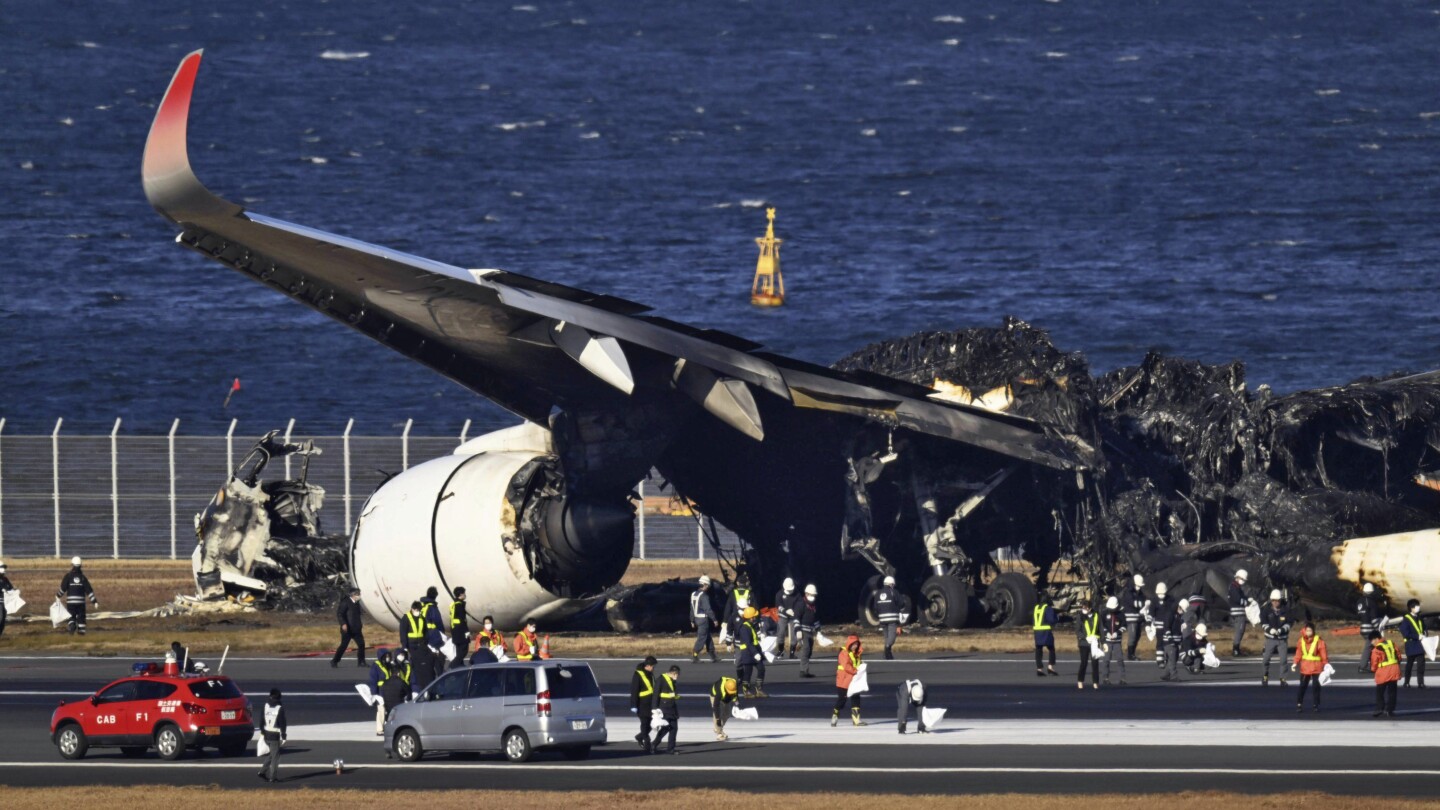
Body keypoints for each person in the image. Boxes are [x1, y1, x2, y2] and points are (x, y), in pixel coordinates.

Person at [400, 601, 438, 695]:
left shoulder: (422, 618)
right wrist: (405, 646)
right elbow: (403, 633)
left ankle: (422, 684)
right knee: (413, 665)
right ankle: (414, 684)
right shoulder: (406, 618)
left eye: (419, 610)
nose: (418, 612)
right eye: (416, 610)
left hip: (421, 645)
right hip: (411, 646)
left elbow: (425, 631)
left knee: (422, 665)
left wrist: (426, 643)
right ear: (412, 609)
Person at [1292, 622, 1327, 712]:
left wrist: (1326, 663)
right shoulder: (1301, 641)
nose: (1308, 632)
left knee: (1316, 686)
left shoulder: (1319, 641)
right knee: (1302, 686)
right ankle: (1299, 704)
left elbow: (1323, 653)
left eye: (1310, 630)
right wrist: (1295, 662)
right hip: (1305, 667)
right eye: (1307, 630)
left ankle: (1316, 704)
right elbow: (1298, 653)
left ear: (1313, 631)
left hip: (1316, 667)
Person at [57, 557, 97, 635]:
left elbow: (63, 588)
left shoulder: (68, 576)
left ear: (72, 564)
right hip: (81, 602)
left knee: (71, 616)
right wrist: (94, 601)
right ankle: (81, 634)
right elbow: (89, 590)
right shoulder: (83, 577)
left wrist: (58, 596)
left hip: (71, 602)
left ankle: (72, 625)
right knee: (81, 617)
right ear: (80, 565)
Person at [1259, 589, 1292, 687]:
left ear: (1280, 600)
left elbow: (1290, 622)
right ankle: (1265, 676)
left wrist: (1282, 630)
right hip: (1270, 639)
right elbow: (1263, 622)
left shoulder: (1286, 610)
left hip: (1282, 639)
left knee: (1283, 660)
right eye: (1273, 600)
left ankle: (1283, 679)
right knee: (1266, 659)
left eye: (1277, 600)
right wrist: (1269, 630)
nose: (1275, 602)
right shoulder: (1266, 610)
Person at [832, 634, 865, 726]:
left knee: (856, 699)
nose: (855, 646)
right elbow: (846, 666)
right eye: (854, 644)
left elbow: (857, 665)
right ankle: (835, 715)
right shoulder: (844, 653)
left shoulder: (857, 654)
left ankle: (856, 720)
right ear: (849, 644)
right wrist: (856, 671)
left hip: (854, 681)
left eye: (857, 644)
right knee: (842, 700)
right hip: (844, 681)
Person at [735, 606, 768, 697]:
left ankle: (759, 689)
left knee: (761, 669)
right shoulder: (744, 628)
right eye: (753, 617)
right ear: (750, 617)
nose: (755, 618)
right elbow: (748, 643)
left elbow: (755, 641)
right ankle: (746, 691)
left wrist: (760, 652)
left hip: (755, 652)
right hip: (748, 653)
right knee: (748, 672)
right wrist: (755, 653)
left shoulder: (751, 626)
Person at [257, 688, 287, 783]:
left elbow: (261, 720)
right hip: (274, 735)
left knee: (272, 754)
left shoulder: (265, 706)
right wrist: (284, 735)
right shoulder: (279, 708)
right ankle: (273, 777)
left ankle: (262, 772)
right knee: (275, 756)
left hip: (266, 734)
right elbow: (283, 723)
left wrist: (262, 731)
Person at [332, 587, 366, 668]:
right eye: (358, 594)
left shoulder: (357, 603)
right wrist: (343, 624)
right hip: (347, 629)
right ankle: (335, 661)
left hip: (356, 628)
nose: (359, 596)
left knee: (361, 644)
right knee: (344, 646)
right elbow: (340, 614)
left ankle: (361, 662)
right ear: (353, 595)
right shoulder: (345, 602)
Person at [629, 655, 658, 753]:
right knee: (644, 723)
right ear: (648, 665)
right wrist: (633, 705)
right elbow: (634, 690)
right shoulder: (638, 675)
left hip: (651, 704)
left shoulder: (651, 674)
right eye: (653, 666)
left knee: (651, 724)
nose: (653, 668)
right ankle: (647, 742)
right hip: (641, 705)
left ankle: (640, 736)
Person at [651, 665, 681, 755]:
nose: (677, 676)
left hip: (672, 707)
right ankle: (654, 744)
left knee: (673, 728)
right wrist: (654, 708)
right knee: (667, 727)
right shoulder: (661, 679)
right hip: (664, 708)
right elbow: (655, 694)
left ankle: (670, 749)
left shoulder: (672, 680)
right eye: (677, 674)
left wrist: (675, 682)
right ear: (673, 673)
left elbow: (672, 693)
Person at [1372, 629, 1400, 717]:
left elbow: (1374, 662)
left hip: (1383, 672)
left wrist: (1373, 669)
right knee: (1392, 692)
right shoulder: (1391, 643)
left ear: (1376, 639)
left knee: (1380, 692)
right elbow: (1398, 655)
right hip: (1395, 670)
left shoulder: (1377, 648)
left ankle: (1380, 708)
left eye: (1372, 641)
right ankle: (1390, 710)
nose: (1372, 643)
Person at [872, 575, 901, 660]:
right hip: (892, 619)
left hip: (882, 619)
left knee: (887, 637)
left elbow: (875, 607)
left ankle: (888, 655)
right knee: (891, 638)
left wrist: (879, 615)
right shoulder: (894, 592)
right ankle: (887, 649)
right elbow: (901, 603)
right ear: (891, 584)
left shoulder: (878, 593)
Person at [721, 573, 753, 648]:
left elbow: (728, 608)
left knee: (737, 636)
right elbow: (755, 607)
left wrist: (725, 620)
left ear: (738, 583)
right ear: (746, 583)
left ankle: (738, 652)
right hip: (748, 618)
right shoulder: (750, 593)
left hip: (735, 619)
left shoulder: (732, 594)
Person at [380, 649, 411, 726]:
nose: (402, 656)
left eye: (403, 655)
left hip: (400, 688)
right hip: (397, 688)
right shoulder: (392, 666)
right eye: (400, 654)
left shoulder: (407, 665)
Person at [691, 576, 718, 663]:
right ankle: (695, 655)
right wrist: (714, 619)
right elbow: (707, 609)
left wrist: (691, 620)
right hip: (703, 619)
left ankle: (712, 654)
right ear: (705, 585)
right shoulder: (704, 596)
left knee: (707, 636)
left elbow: (691, 608)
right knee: (702, 637)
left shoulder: (693, 594)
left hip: (696, 619)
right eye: (707, 586)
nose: (708, 588)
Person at [1400, 599, 1427, 688]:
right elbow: (1405, 633)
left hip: (1420, 645)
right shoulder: (1406, 619)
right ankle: (1406, 682)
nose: (1418, 608)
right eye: (1416, 606)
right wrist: (1417, 636)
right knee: (1409, 665)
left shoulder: (1419, 618)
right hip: (1411, 645)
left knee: (1421, 665)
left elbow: (1423, 628)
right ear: (1411, 608)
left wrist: (1425, 633)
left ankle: (1421, 683)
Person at [1356, 582, 1383, 673]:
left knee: (1371, 647)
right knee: (1369, 647)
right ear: (1372, 592)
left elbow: (1361, 615)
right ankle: (1362, 666)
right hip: (1370, 629)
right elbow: (1374, 618)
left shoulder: (1360, 601)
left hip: (1363, 627)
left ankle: (1372, 665)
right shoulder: (1371, 602)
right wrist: (1378, 627)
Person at [1101, 595, 1126, 685]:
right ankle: (1105, 678)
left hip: (1117, 641)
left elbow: (1124, 625)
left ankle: (1122, 678)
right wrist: (1106, 632)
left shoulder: (1120, 614)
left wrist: (1118, 632)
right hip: (1107, 641)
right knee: (1106, 660)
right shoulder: (1104, 613)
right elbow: (1101, 625)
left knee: (1120, 659)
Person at [1120, 574, 1146, 660]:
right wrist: (1144, 605)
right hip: (1130, 618)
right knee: (1132, 636)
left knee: (1137, 635)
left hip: (1138, 617)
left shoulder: (1140, 592)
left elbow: (1143, 600)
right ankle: (1130, 655)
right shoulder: (1128, 592)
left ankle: (1132, 653)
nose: (1139, 587)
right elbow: (1134, 603)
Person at [795, 584, 819, 678]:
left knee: (809, 651)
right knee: (806, 649)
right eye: (811, 595)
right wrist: (797, 630)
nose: (812, 597)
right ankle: (803, 671)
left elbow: (815, 619)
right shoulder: (801, 604)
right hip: (803, 630)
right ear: (806, 593)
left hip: (810, 631)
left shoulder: (813, 606)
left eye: (814, 595)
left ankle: (806, 669)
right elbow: (796, 618)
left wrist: (818, 630)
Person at [1161, 598, 1186, 681]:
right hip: (1169, 641)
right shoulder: (1170, 614)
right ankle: (1174, 676)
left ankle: (1165, 674)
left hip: (1176, 642)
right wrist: (1170, 640)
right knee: (1172, 659)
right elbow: (1166, 627)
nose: (1183, 612)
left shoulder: (1179, 616)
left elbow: (1178, 630)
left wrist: (1180, 641)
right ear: (1179, 607)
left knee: (1174, 659)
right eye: (1183, 610)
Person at [1227, 569, 1252, 657]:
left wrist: (1247, 599)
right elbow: (1238, 599)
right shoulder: (1234, 587)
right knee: (1239, 631)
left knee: (1240, 631)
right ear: (1237, 577)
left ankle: (1237, 649)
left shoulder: (1236, 587)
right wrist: (1247, 602)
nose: (1243, 581)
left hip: (1239, 612)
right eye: (1243, 579)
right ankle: (1236, 650)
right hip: (1238, 613)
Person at [1076, 602, 1100, 689]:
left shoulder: (1096, 616)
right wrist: (1085, 637)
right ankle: (1080, 681)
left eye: (1086, 608)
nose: (1084, 610)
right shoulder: (1080, 616)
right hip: (1084, 643)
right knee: (1084, 662)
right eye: (1083, 608)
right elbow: (1077, 631)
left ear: (1090, 609)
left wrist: (1103, 641)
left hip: (1094, 642)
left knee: (1095, 663)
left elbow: (1100, 629)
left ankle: (1095, 682)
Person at [369, 649, 393, 736]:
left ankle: (389, 727)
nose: (388, 658)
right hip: (380, 691)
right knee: (381, 710)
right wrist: (374, 694)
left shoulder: (390, 665)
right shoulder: (376, 666)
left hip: (389, 689)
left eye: (388, 656)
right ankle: (380, 729)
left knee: (390, 709)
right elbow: (373, 680)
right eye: (386, 656)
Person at [1150, 582, 1173, 669]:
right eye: (1159, 593)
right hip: (1159, 626)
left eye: (1163, 593)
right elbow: (1151, 613)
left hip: (1168, 625)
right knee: (1160, 643)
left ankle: (1167, 658)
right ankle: (1160, 660)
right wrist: (1149, 624)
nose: (1161, 595)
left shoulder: (1170, 600)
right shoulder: (1154, 601)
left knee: (1168, 642)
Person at [1033, 596, 1058, 676]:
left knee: (1038, 649)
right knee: (1051, 649)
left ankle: (1039, 668)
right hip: (1046, 632)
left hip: (1037, 632)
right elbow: (1051, 620)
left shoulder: (1036, 608)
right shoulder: (1047, 608)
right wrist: (1057, 618)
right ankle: (1050, 666)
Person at [710, 675, 741, 741]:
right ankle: (719, 733)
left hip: (726, 698)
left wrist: (737, 703)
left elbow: (735, 694)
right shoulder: (719, 692)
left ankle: (718, 728)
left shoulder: (734, 684)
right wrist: (718, 719)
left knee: (728, 713)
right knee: (718, 714)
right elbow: (716, 706)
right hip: (715, 696)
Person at [774, 577, 797, 658]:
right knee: (780, 632)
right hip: (783, 616)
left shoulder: (797, 594)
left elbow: (800, 604)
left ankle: (792, 652)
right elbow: (778, 605)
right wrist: (785, 611)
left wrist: (796, 611)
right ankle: (780, 651)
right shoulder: (779, 594)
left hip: (793, 616)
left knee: (794, 633)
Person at [448, 587, 470, 669]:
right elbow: (462, 620)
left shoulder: (453, 604)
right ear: (461, 594)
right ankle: (453, 665)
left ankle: (459, 666)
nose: (465, 595)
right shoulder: (459, 605)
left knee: (459, 651)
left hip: (455, 631)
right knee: (464, 650)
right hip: (461, 631)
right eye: (464, 593)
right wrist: (466, 631)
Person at [0, 560, 14, 638]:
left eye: (4, 567)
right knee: (0, 618)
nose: (3, 569)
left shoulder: (5, 579)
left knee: (3, 620)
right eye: (2, 567)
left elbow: (10, 587)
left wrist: (14, 591)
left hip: (5, 602)